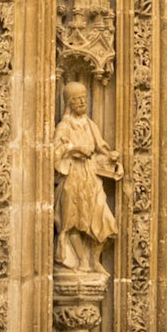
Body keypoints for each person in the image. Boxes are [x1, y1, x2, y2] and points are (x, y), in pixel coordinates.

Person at [52, 82, 122, 273]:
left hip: (90, 177)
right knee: (73, 222)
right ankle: (82, 262)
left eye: (84, 97)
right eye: (77, 99)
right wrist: (75, 149)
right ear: (69, 103)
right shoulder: (65, 126)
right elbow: (54, 151)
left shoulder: (90, 124)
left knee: (104, 219)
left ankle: (94, 260)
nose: (82, 101)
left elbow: (101, 146)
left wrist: (111, 156)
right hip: (73, 177)